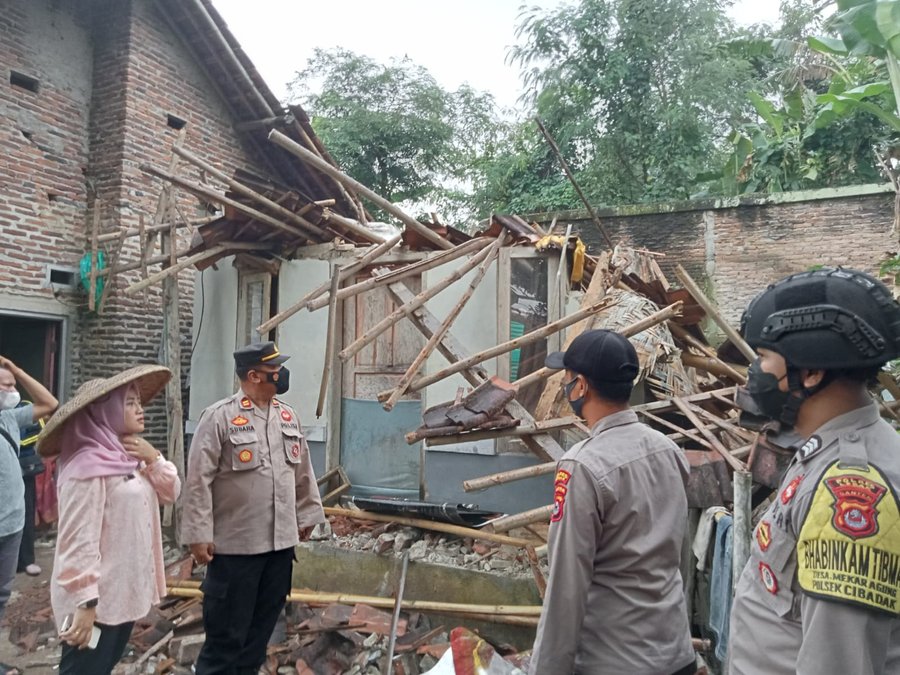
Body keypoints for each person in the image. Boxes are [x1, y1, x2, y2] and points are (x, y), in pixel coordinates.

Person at [729, 268, 900, 674]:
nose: (754, 372)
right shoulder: (829, 448)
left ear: (811, 373)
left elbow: (838, 663)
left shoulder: (851, 488)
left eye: (764, 357)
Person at [529, 329, 695, 675]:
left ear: (582, 386)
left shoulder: (582, 466)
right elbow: (679, 554)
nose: (565, 386)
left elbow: (566, 586)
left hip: (615, 660)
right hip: (675, 654)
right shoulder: (668, 450)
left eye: (567, 379)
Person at [182, 341, 325, 675]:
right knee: (225, 643)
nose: (282, 375)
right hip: (236, 551)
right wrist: (198, 535)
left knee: (257, 641)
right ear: (253, 376)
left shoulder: (288, 416)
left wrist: (306, 515)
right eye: (274, 371)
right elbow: (197, 481)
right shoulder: (219, 417)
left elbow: (302, 471)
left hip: (278, 550)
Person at [37, 364, 180, 675]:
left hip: (122, 594)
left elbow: (171, 493)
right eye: (130, 403)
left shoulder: (128, 457)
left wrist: (153, 457)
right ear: (106, 412)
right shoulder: (86, 468)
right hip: (94, 603)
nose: (140, 409)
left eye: (139, 402)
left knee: (102, 667)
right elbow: (78, 541)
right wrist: (86, 604)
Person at [0, 358, 57, 624]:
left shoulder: (10, 417)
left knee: (2, 595)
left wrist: (19, 371)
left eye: (13, 386)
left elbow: (49, 404)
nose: (12, 391)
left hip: (12, 525)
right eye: (5, 385)